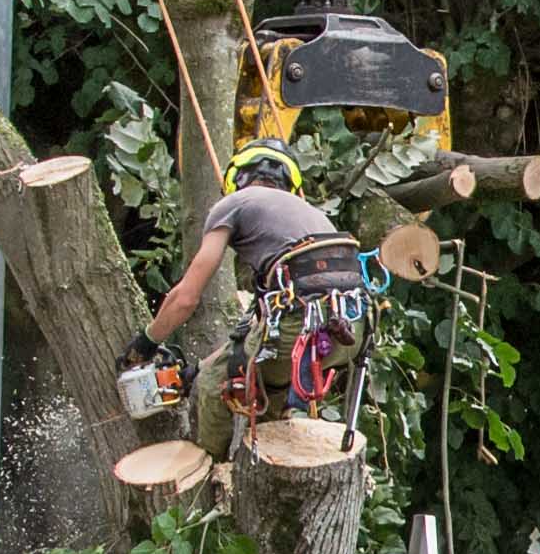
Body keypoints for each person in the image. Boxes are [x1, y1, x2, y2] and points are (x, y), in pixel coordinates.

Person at [128, 140, 366, 419]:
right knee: (264, 395)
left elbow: (186, 298)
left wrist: (146, 342)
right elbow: (250, 338)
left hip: (299, 326)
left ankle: (215, 462)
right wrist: (196, 370)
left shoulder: (234, 203)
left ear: (237, 177)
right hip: (353, 329)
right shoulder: (313, 218)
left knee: (215, 389)